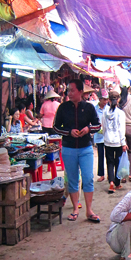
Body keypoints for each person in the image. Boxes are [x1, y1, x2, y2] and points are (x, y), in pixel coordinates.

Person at [53, 79, 101, 223]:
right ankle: (75, 209)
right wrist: (69, 132)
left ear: (80, 91)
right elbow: (55, 127)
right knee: (73, 180)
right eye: (68, 90)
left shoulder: (89, 108)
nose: (69, 93)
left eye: (72, 90)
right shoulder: (63, 107)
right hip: (68, 148)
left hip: (86, 148)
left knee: (88, 178)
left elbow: (97, 125)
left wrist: (88, 129)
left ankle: (89, 210)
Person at [102, 91, 127, 193]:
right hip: (118, 141)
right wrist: (123, 142)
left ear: (108, 100)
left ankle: (111, 182)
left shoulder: (104, 111)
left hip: (108, 141)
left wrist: (105, 136)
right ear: (118, 100)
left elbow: (103, 126)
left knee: (110, 162)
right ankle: (117, 183)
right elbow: (121, 129)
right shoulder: (120, 113)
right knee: (118, 161)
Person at [94, 89, 109, 183]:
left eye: (106, 99)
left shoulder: (108, 108)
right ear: (99, 99)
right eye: (104, 99)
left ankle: (109, 174)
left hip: (108, 136)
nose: (105, 101)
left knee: (109, 156)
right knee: (100, 156)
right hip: (99, 136)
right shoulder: (95, 109)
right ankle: (101, 174)